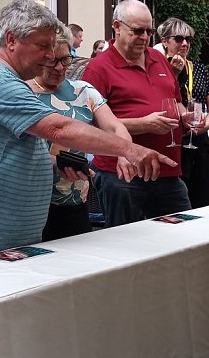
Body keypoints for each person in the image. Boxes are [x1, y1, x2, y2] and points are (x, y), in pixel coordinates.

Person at [0, 0, 175, 257]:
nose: (51, 56)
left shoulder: (2, 79)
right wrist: (130, 150)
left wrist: (56, 162)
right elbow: (58, 128)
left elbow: (5, 148)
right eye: (43, 46)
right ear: (12, 41)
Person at [81, 0, 192, 227]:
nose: (144, 37)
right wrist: (144, 124)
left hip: (167, 170)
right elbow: (89, 124)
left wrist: (185, 115)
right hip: (122, 174)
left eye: (149, 31)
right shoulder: (98, 68)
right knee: (128, 244)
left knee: (184, 236)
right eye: (137, 31)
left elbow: (175, 101)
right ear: (117, 27)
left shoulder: (159, 58)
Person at [27, 27, 133, 241]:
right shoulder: (22, 92)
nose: (59, 68)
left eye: (65, 60)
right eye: (52, 61)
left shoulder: (84, 91)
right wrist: (56, 162)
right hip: (32, 206)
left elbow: (114, 126)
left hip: (75, 203)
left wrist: (125, 152)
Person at [159, 17, 209, 208]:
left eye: (188, 39)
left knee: (203, 197)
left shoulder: (199, 69)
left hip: (199, 140)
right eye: (178, 38)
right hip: (176, 140)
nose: (184, 43)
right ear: (164, 41)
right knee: (179, 202)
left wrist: (205, 126)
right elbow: (167, 99)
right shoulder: (159, 69)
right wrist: (174, 75)